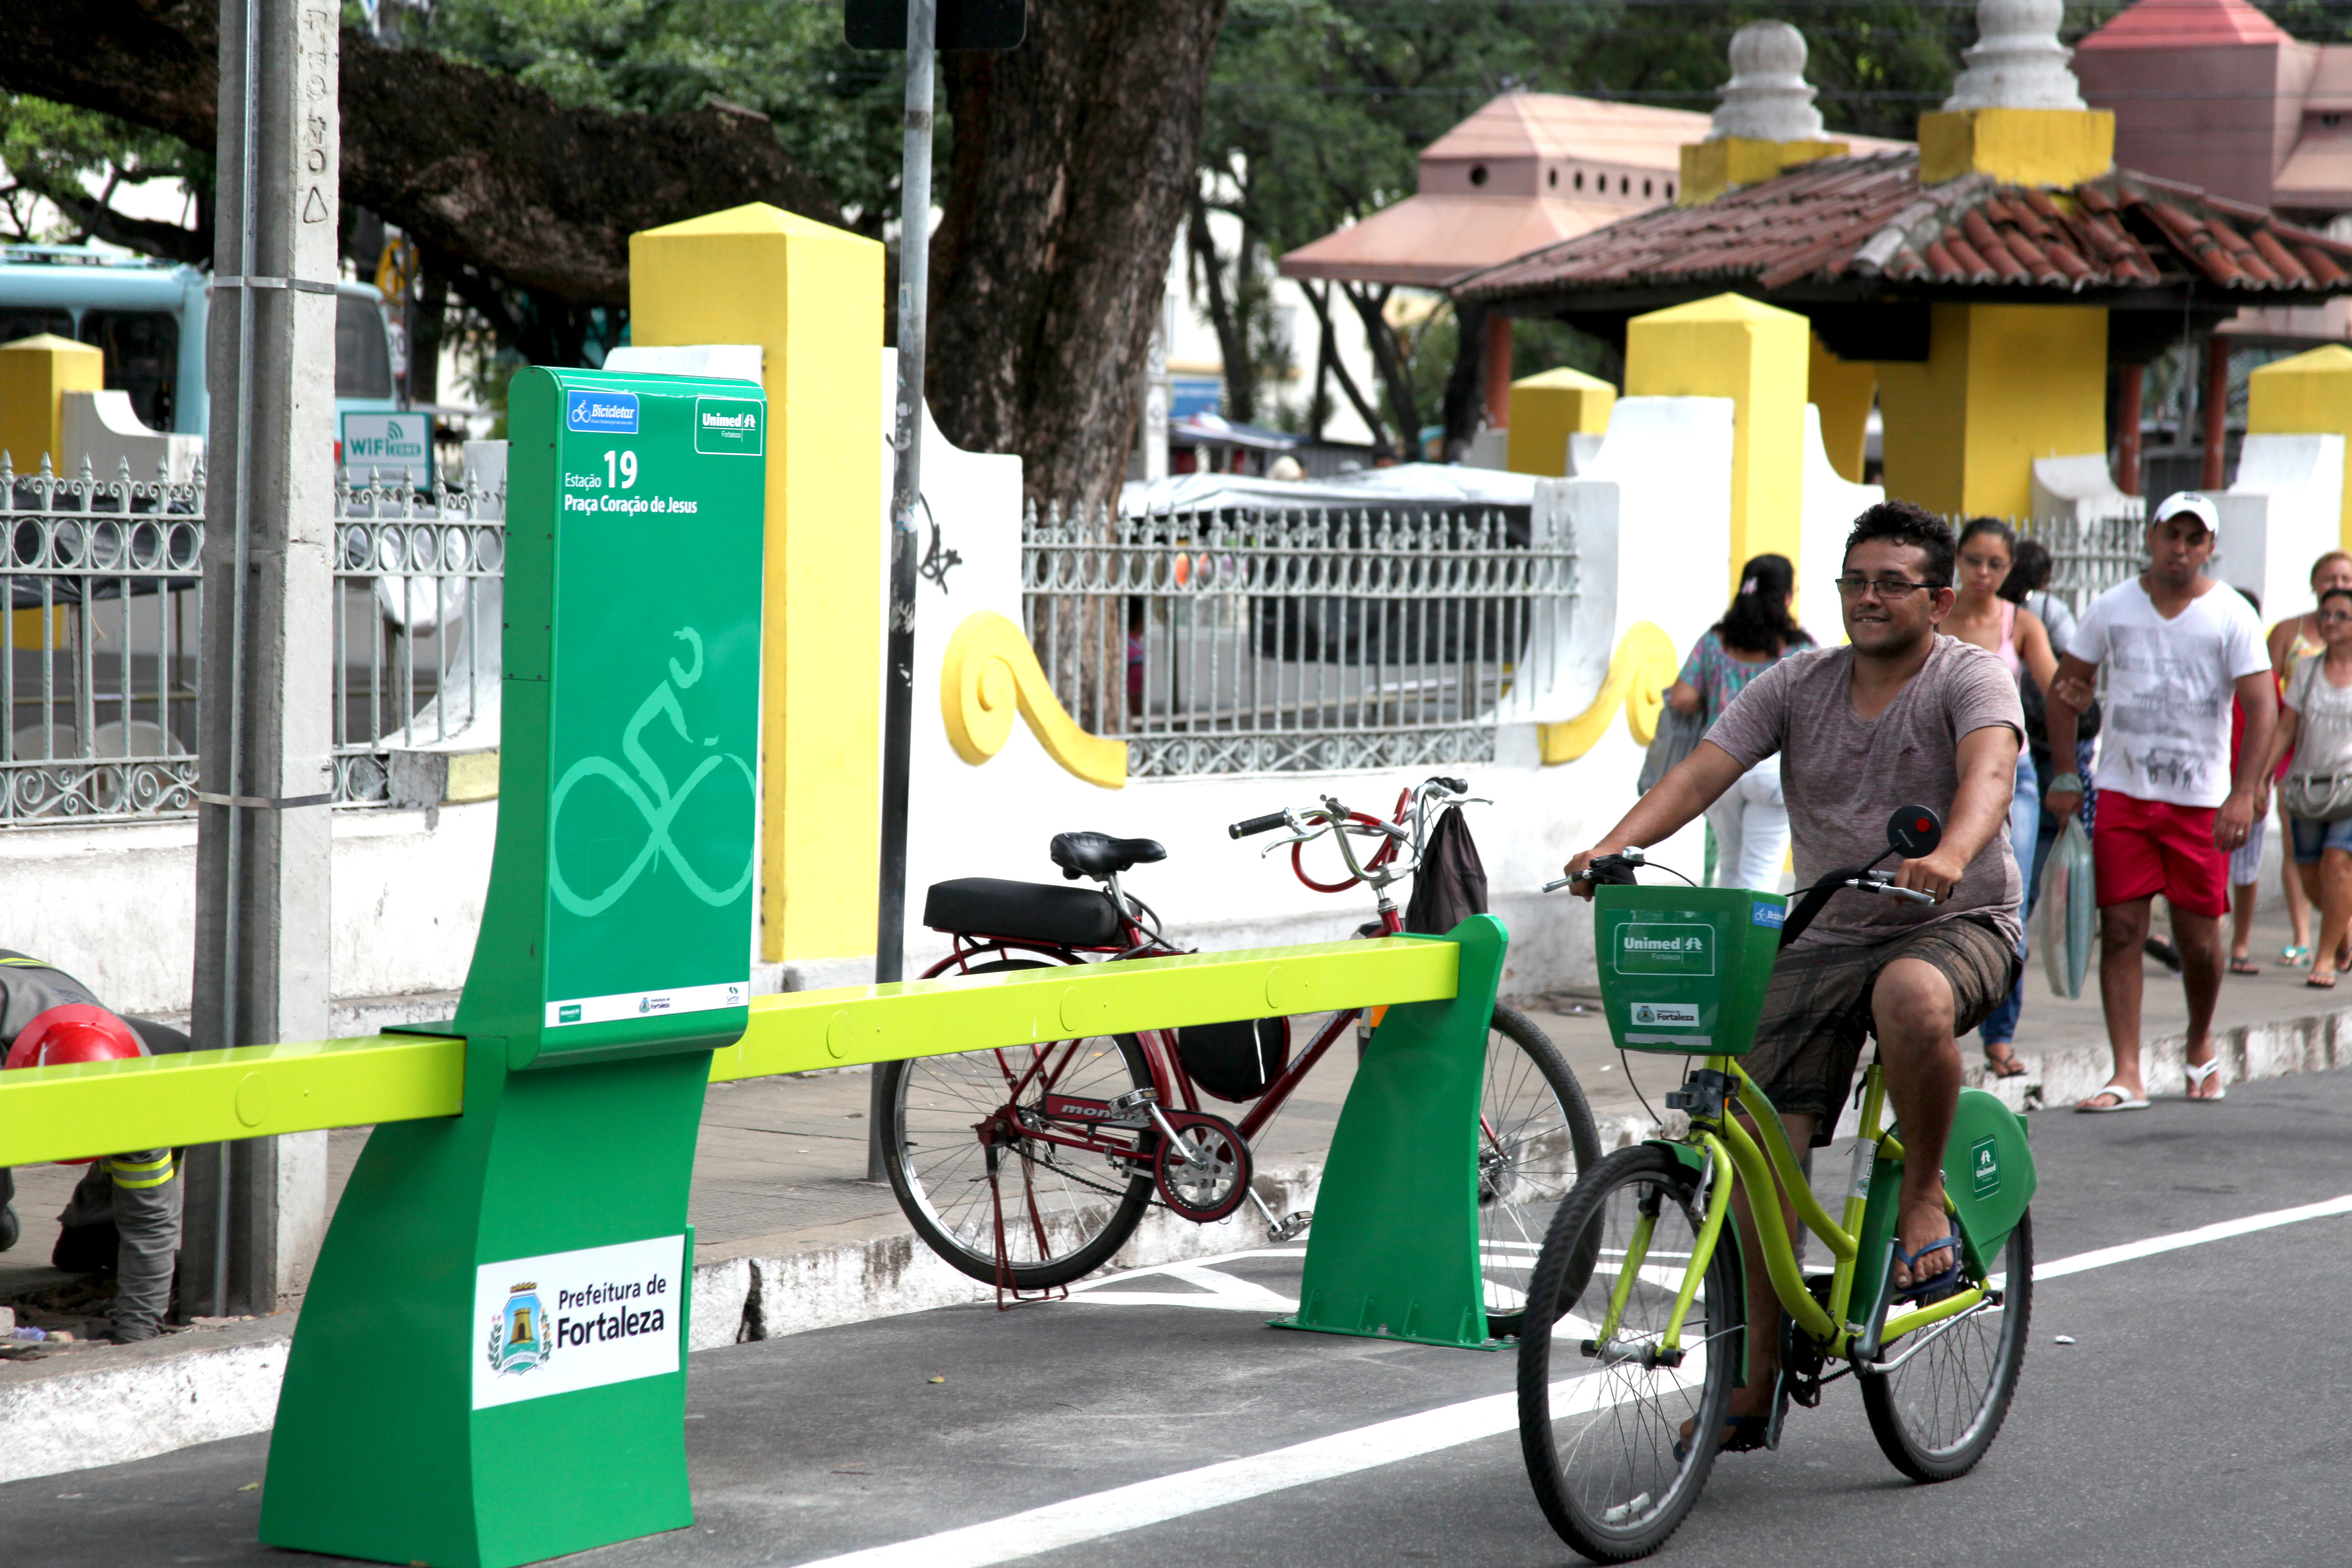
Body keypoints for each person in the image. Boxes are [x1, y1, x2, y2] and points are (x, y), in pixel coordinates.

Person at [1563, 501, 2022, 1449]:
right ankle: (1753, 1371)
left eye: (1891, 582)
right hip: (1823, 928)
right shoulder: (1796, 682)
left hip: (1956, 915)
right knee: (1756, 1143)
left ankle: (1926, 1194)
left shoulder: (1968, 674)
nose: (1867, 597)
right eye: (1855, 579)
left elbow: (1986, 775)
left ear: (1937, 599)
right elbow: (1703, 770)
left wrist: (1951, 853)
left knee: (1910, 994)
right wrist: (1612, 845)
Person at [2046, 494, 2276, 1110]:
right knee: (2121, 930)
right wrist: (2067, 774)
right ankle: (2127, 1072)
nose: (2181, 549)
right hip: (2124, 793)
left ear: (2209, 549)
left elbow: (2262, 708)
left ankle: (2200, 1043)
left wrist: (2244, 792)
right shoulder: (2112, 607)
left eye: (2194, 539)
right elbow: (2065, 689)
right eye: (2172, 535)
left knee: (2199, 941)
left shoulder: (2231, 614)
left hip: (2200, 802)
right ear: (2151, 537)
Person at [0, 950, 190, 1341]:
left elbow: (152, 1221)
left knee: (185, 1064)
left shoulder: (138, 1085)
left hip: (59, 1012)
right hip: (12, 995)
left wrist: (138, 1333)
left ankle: (93, 1236)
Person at [1942, 520, 2059, 1078]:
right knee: (1935, 901)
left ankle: (1999, 1038)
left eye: (1995, 564)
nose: (1983, 574)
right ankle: (1929, 1023)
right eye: (1973, 561)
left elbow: (2060, 693)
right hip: (1941, 775)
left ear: (2010, 570)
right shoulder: (1936, 617)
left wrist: (2070, 772)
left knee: (2010, 905)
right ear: (1957, 561)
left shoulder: (2022, 624)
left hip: (2015, 777)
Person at [1664, 553, 1814, 892]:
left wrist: (1716, 696)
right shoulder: (1798, 649)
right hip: (1771, 770)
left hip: (1718, 768)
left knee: (1730, 870)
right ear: (1787, 597)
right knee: (1759, 877)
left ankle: (1725, 944)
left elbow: (1682, 697)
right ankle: (1753, 947)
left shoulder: (1715, 641)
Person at [2256, 585, 2352, 989]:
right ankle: (2343, 931)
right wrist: (2261, 776)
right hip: (2308, 784)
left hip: (2350, 786)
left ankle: (2325, 957)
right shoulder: (2309, 670)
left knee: (2337, 864)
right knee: (2311, 876)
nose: (2329, 623)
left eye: (2341, 616)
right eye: (2325, 615)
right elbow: (2287, 725)